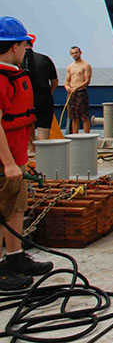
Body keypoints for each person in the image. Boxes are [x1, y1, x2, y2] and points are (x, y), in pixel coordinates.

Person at [0, 17, 54, 291]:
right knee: (2, 210)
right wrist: (9, 163)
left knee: (16, 207)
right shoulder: (0, 78)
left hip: (16, 158)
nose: (26, 50)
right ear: (14, 46)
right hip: (3, 162)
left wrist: (23, 159)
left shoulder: (13, 72)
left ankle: (15, 257)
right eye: (24, 45)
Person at [22, 36, 58, 140]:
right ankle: (43, 150)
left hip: (25, 98)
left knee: (27, 123)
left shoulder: (17, 61)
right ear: (31, 44)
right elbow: (54, 81)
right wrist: (49, 92)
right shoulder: (44, 59)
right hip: (44, 98)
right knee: (43, 126)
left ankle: (32, 148)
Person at [65, 46, 91, 134]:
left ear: (80, 53)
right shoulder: (70, 67)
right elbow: (66, 81)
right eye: (73, 53)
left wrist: (77, 87)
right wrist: (67, 87)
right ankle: (75, 135)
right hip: (72, 94)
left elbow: (87, 81)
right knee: (74, 116)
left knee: (84, 116)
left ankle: (86, 135)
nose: (75, 55)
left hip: (81, 92)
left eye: (76, 52)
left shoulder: (85, 65)